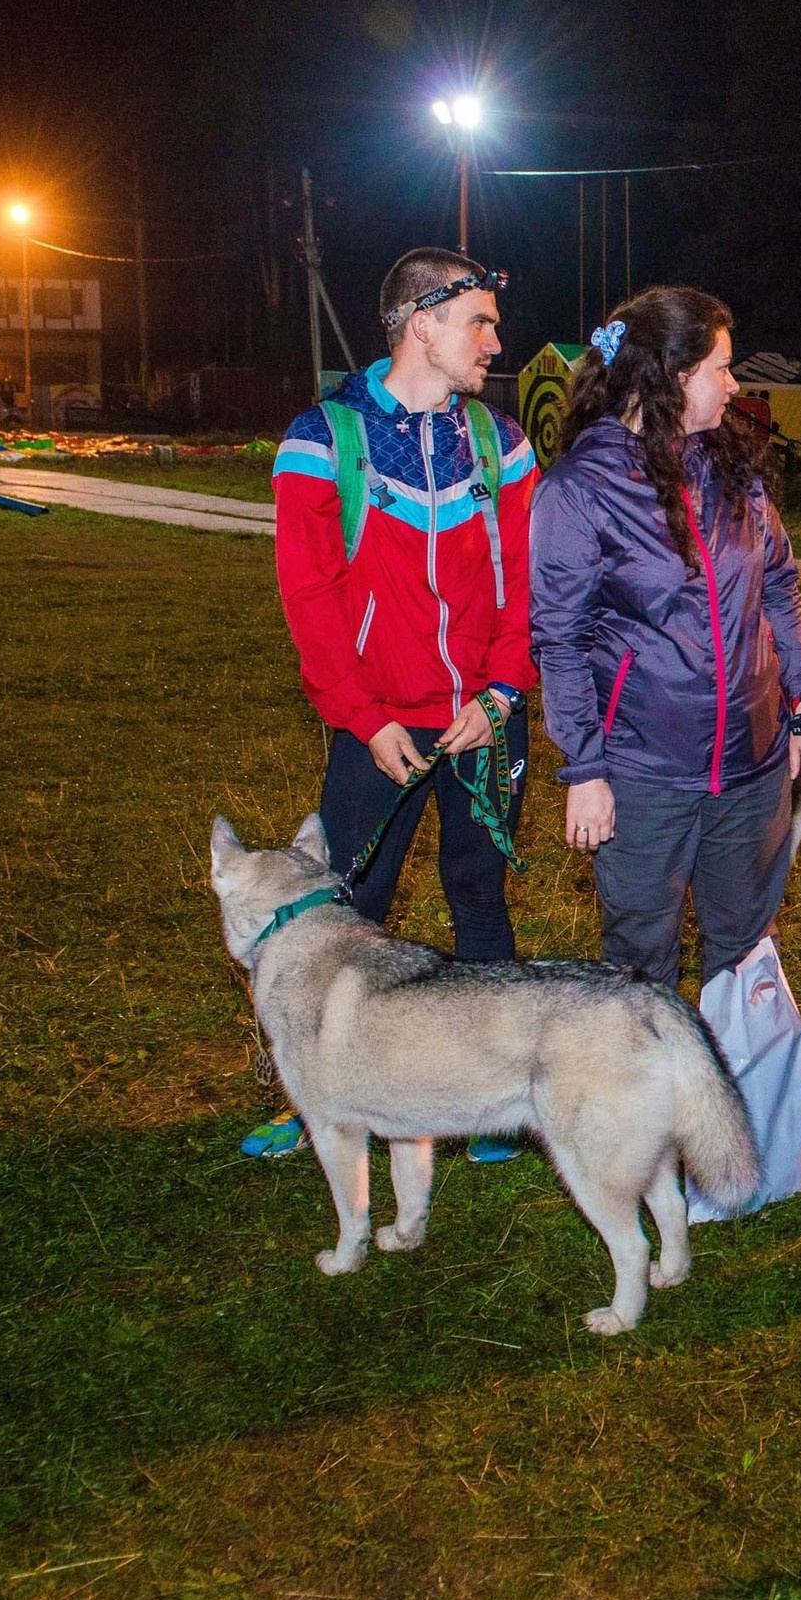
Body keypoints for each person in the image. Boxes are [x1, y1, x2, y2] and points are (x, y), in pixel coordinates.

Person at [245, 247, 539, 1163]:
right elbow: (312, 595)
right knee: (348, 903)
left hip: (483, 717)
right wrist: (363, 717)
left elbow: (528, 580)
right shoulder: (324, 437)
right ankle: (316, 1093)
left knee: (478, 894)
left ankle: (494, 1103)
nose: (495, 339)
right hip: (377, 721)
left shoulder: (500, 439)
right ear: (423, 323)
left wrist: (499, 694)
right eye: (479, 322)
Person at [528, 286, 801, 990]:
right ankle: (648, 1100)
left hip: (752, 769)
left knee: (746, 953)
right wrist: (585, 770)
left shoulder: (731, 471)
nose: (734, 383)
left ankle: (731, 1093)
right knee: (639, 966)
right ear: (669, 373)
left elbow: (778, 586)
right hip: (642, 776)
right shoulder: (580, 489)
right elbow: (561, 640)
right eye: (720, 368)